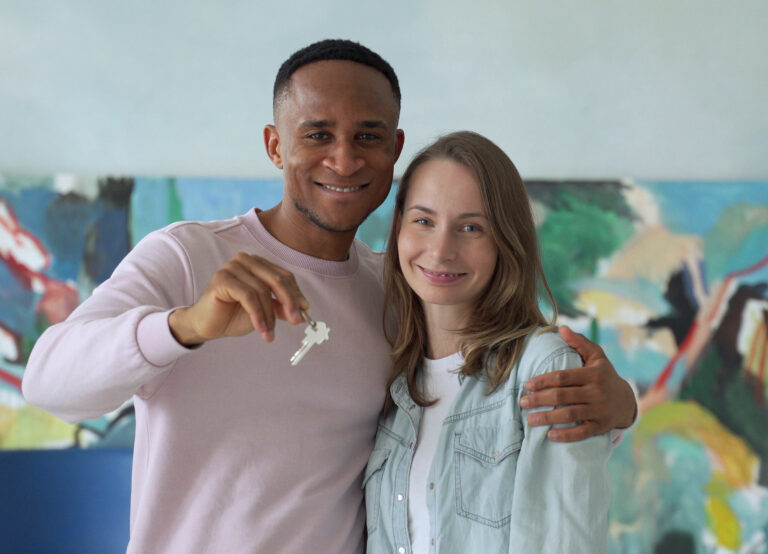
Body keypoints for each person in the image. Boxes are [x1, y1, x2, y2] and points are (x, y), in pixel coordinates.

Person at [23, 40, 634, 553]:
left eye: (367, 136)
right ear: (274, 145)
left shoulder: (398, 292)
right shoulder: (188, 256)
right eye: (317, 134)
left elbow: (480, 405)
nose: (343, 159)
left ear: (394, 150)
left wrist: (620, 404)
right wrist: (185, 326)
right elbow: (49, 384)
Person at [365, 131, 611, 554]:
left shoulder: (545, 368)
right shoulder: (393, 381)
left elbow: (565, 542)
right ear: (399, 226)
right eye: (423, 221)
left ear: (505, 239)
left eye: (471, 227)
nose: (440, 250)